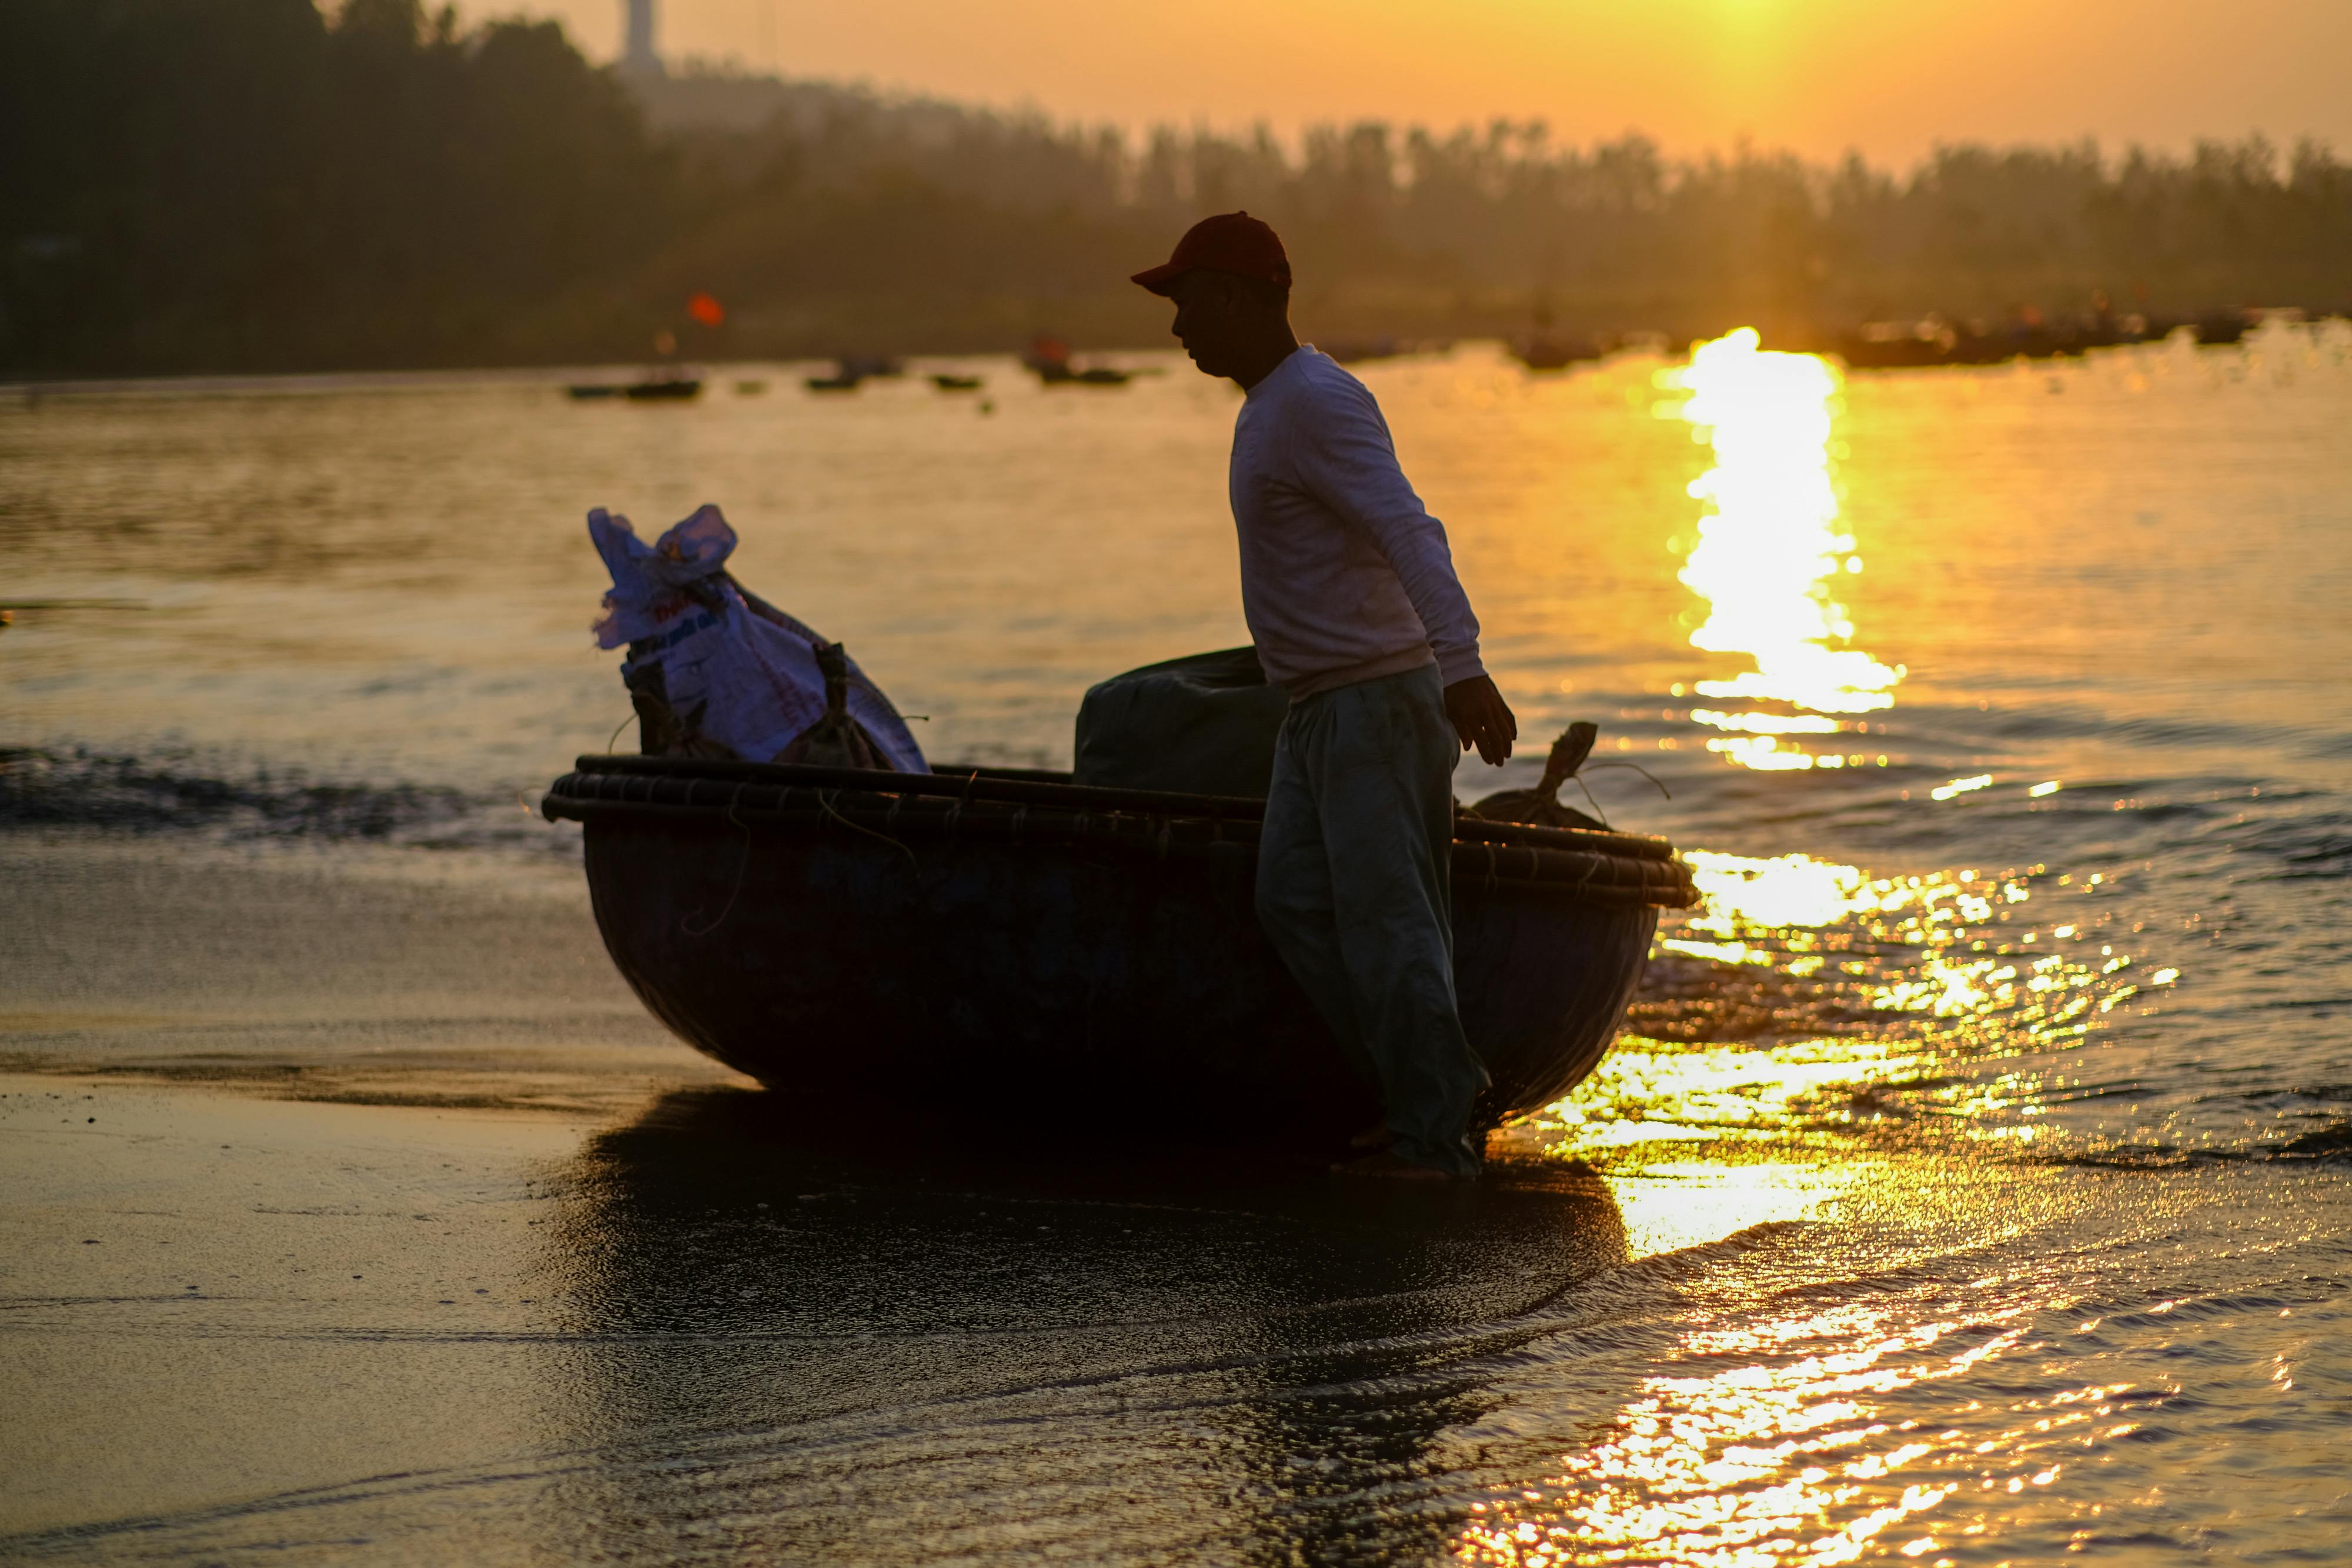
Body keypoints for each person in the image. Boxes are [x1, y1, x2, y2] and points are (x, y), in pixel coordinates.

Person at [1131, 212, 1518, 1180]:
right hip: (1315, 712)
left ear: (1239, 296)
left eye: (1186, 304)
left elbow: (1409, 530)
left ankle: (1435, 1142)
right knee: (1295, 902)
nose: (1178, 328)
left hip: (1376, 704)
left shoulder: (1316, 401)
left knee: (1391, 927)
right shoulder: (1267, 405)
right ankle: (1435, 1088)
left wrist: (1461, 666)